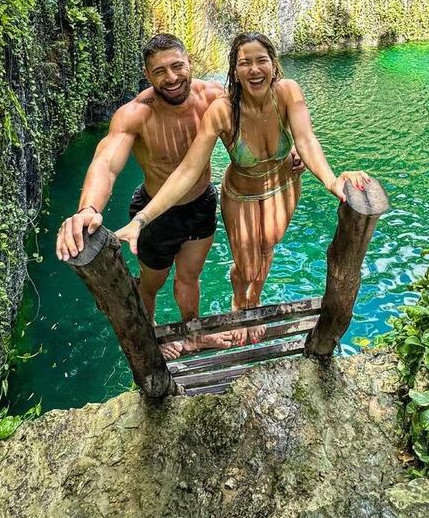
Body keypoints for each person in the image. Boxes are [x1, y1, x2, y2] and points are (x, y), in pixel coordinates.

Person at [114, 31, 369, 343]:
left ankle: (252, 304)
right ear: (234, 71)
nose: (254, 69)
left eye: (261, 60)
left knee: (267, 248)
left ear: (274, 64)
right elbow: (188, 171)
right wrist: (141, 219)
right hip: (242, 195)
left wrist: (332, 180)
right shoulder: (222, 110)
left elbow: (305, 139)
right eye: (244, 63)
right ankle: (239, 304)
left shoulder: (288, 92)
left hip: (283, 185)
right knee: (246, 268)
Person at [54, 33, 299, 357]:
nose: (171, 78)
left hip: (201, 204)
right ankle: (149, 336)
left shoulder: (213, 97)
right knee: (151, 283)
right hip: (157, 213)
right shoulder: (136, 114)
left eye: (177, 66)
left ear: (189, 64)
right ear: (147, 74)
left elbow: (261, 113)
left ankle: (194, 333)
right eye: (160, 71)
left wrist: (292, 147)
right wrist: (88, 209)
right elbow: (106, 164)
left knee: (189, 277)